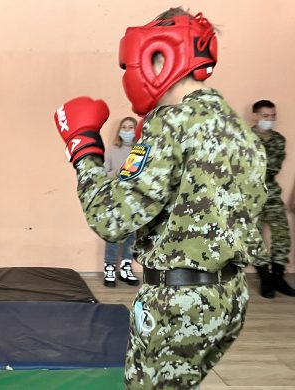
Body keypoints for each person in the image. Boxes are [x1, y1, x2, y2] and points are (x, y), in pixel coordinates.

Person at [53, 8, 267, 389]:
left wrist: (83, 148)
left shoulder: (169, 122)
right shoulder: (241, 131)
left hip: (177, 301)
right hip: (230, 298)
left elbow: (112, 220)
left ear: (161, 55)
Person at [251, 100, 295, 298]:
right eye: (266, 116)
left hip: (272, 193)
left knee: (282, 234)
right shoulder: (244, 138)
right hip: (250, 195)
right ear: (256, 116)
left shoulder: (279, 140)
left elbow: (272, 168)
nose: (270, 120)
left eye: (273, 116)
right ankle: (265, 277)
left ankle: (278, 276)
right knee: (253, 237)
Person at [102, 117, 139, 287]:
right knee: (113, 234)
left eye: (131, 127)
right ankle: (109, 268)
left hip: (134, 199)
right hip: (115, 198)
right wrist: (117, 172)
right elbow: (103, 175)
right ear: (119, 130)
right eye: (124, 127)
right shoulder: (111, 150)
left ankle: (126, 268)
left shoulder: (140, 151)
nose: (127, 130)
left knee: (131, 235)